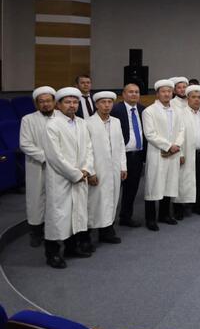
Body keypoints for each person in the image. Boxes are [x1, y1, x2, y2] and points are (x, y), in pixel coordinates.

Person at [42, 87, 95, 269]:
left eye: (75, 102)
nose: (72, 105)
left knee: (76, 214)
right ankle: (52, 253)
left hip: (81, 176)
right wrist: (76, 174)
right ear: (58, 104)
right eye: (67, 102)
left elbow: (89, 148)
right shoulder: (52, 125)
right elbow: (54, 156)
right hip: (61, 178)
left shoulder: (82, 123)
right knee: (58, 216)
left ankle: (71, 248)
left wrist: (86, 169)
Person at [142, 79, 185, 231]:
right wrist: (168, 146)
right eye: (163, 91)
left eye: (169, 91)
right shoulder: (149, 111)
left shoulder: (177, 111)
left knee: (169, 183)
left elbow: (182, 130)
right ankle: (150, 219)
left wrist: (176, 145)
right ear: (157, 93)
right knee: (154, 185)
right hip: (157, 153)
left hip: (173, 153)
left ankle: (164, 215)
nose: (167, 94)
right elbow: (150, 134)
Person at [86, 91, 126, 246]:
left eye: (109, 102)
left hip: (114, 168)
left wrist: (123, 166)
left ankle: (107, 231)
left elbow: (121, 144)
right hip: (98, 169)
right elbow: (86, 150)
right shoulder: (88, 123)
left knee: (112, 199)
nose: (107, 105)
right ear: (96, 104)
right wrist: (91, 171)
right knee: (95, 202)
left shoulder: (116, 121)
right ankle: (88, 235)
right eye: (103, 102)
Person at [20, 86, 56, 247]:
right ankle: (36, 232)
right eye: (42, 101)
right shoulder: (28, 120)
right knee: (36, 200)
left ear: (54, 102)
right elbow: (25, 144)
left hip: (59, 168)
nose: (45, 104)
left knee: (56, 199)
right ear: (36, 104)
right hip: (37, 166)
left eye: (48, 101)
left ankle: (54, 231)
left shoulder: (61, 118)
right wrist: (48, 158)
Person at [111, 82, 147, 228]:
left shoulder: (143, 110)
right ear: (124, 94)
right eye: (130, 92)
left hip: (137, 156)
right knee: (113, 190)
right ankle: (108, 222)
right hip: (120, 156)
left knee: (131, 189)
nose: (134, 94)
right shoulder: (115, 109)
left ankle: (126, 217)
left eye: (137, 92)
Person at [176, 84, 200, 217]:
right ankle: (180, 207)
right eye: (194, 97)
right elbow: (177, 135)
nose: (197, 99)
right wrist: (180, 153)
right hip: (187, 153)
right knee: (184, 181)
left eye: (199, 97)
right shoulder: (180, 114)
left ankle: (198, 205)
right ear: (188, 98)